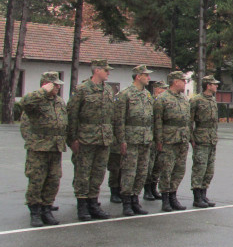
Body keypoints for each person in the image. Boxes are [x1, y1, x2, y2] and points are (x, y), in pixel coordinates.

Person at [67, 59, 114, 221]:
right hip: (86, 138)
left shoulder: (108, 90)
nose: (108, 73)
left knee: (98, 172)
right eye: (106, 70)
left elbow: (111, 116)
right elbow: (72, 115)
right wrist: (72, 139)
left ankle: (93, 203)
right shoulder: (82, 90)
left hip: (104, 138)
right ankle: (82, 205)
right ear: (97, 70)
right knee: (83, 173)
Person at [20, 72, 67, 227]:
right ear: (46, 84)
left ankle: (47, 209)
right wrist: (42, 91)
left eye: (58, 84)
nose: (58, 87)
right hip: (39, 147)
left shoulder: (59, 102)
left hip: (55, 147)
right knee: (37, 180)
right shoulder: (36, 100)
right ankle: (35, 211)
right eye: (54, 84)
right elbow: (25, 103)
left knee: (53, 179)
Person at [113, 64, 154, 216]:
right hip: (130, 139)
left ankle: (135, 199)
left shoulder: (147, 95)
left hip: (145, 139)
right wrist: (121, 140)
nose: (149, 78)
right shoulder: (125, 94)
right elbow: (119, 120)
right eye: (146, 75)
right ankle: (126, 202)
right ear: (138, 76)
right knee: (129, 171)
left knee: (142, 172)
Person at [154, 71, 191, 211]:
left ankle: (173, 196)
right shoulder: (162, 99)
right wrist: (158, 140)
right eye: (183, 80)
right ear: (175, 82)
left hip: (182, 139)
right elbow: (157, 122)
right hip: (168, 140)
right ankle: (165, 199)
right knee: (166, 169)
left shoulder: (184, 99)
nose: (185, 83)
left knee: (179, 169)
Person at [189, 75, 219, 208]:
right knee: (199, 168)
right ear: (208, 85)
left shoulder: (213, 100)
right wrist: (191, 138)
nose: (216, 86)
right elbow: (189, 121)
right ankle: (197, 197)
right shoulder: (196, 100)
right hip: (201, 138)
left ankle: (203, 194)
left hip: (211, 138)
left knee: (209, 169)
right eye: (214, 84)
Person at [144, 81, 168, 200]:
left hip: (160, 136)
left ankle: (154, 187)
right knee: (149, 164)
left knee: (158, 165)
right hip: (150, 137)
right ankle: (147, 189)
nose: (165, 91)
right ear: (157, 89)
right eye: (163, 89)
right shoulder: (151, 101)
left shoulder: (163, 101)